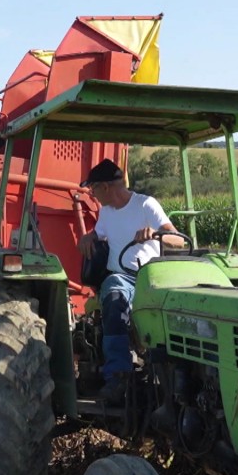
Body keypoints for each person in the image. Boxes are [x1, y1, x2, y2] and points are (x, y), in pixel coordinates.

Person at [76, 159, 183, 403]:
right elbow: (99, 233)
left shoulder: (145, 205)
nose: (92, 195)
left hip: (150, 277)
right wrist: (88, 237)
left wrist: (156, 234)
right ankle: (118, 376)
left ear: (105, 187)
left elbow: (179, 240)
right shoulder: (106, 212)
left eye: (93, 189)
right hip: (120, 277)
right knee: (114, 296)